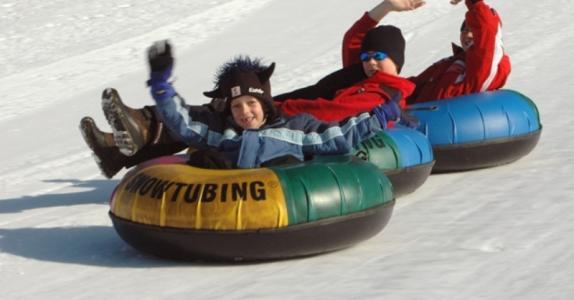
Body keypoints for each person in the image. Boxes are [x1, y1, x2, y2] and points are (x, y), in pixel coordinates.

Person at [80, 40, 402, 177]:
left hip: (282, 188)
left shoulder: (295, 130)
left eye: (251, 104)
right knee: (203, 139)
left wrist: (377, 117)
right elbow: (184, 123)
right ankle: (121, 144)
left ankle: (121, 145)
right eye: (237, 106)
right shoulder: (226, 132)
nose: (245, 112)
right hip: (233, 194)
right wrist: (162, 86)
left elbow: (336, 137)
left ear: (264, 104)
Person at [275, 0, 424, 121]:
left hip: (287, 118)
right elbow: (353, 38)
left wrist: (272, 109)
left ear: (396, 60)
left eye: (378, 56)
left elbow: (327, 112)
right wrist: (386, 7)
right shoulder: (364, 76)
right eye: (365, 57)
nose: (371, 62)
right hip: (275, 108)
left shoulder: (382, 96)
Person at [407, 0, 511, 103]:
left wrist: (474, 3)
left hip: (448, 118)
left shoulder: (481, 67)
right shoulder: (448, 63)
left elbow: (487, 32)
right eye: (464, 30)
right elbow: (414, 86)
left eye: (473, 31)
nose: (467, 35)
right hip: (418, 117)